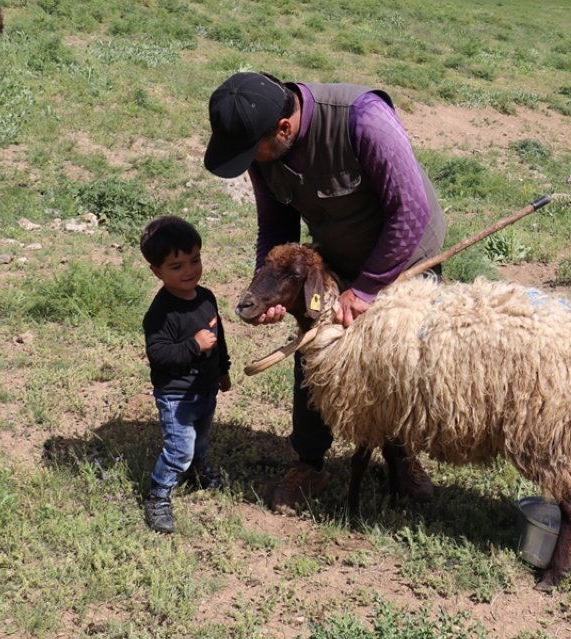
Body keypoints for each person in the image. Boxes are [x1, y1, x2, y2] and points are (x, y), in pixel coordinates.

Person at [202, 71, 447, 513]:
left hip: (406, 257)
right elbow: (276, 226)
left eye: (250, 151)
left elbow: (410, 210)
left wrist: (369, 288)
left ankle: (401, 454)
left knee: (399, 361)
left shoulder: (363, 120)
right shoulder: (265, 149)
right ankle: (309, 463)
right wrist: (271, 290)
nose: (249, 162)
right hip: (337, 257)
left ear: (283, 128)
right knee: (316, 352)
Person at [139, 216, 232, 533]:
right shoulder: (161, 312)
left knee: (200, 439)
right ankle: (158, 494)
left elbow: (219, 336)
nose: (189, 271)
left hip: (205, 389)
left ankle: (197, 468)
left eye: (194, 260)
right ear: (157, 271)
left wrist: (223, 369)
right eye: (176, 266)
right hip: (176, 395)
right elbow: (159, 354)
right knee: (178, 449)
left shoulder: (206, 298)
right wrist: (193, 345)